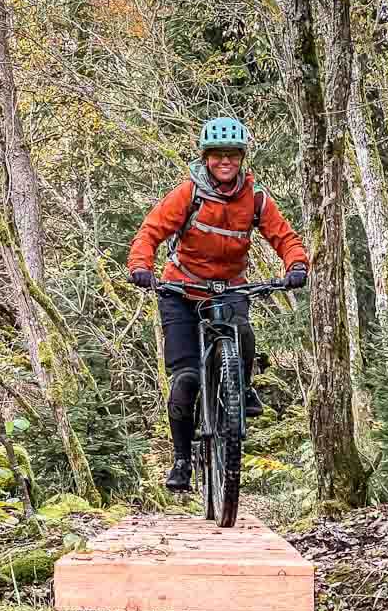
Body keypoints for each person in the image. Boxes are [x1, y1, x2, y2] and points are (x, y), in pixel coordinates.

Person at [127, 116, 309, 492]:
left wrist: (296, 264)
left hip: (228, 288)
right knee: (186, 380)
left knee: (242, 331)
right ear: (206, 158)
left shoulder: (256, 199)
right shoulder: (188, 194)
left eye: (232, 155)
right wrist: (141, 266)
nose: (224, 162)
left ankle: (240, 389)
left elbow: (285, 236)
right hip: (180, 292)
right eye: (217, 155)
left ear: (241, 158)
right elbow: (150, 232)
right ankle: (181, 461)